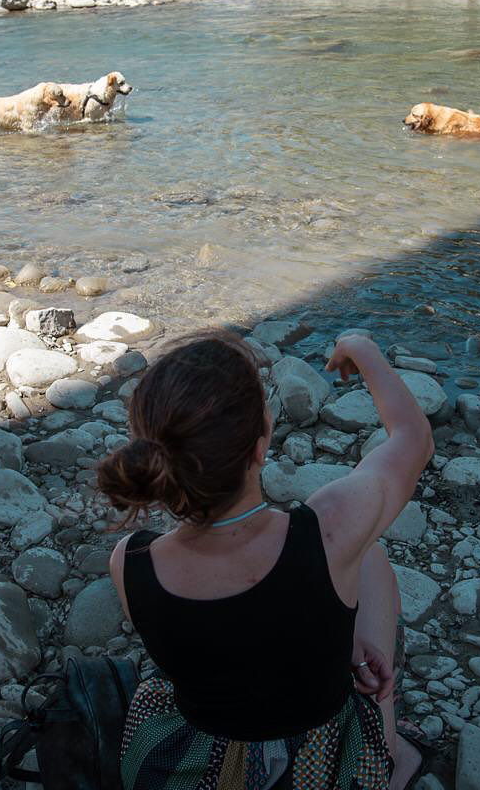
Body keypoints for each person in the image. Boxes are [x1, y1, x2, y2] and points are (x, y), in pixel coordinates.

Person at [97, 330, 434, 790]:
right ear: (260, 446)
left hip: (190, 765)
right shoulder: (330, 530)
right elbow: (413, 440)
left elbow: (229, 639)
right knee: (367, 555)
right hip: (317, 767)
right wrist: (363, 349)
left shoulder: (130, 561)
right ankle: (391, 758)